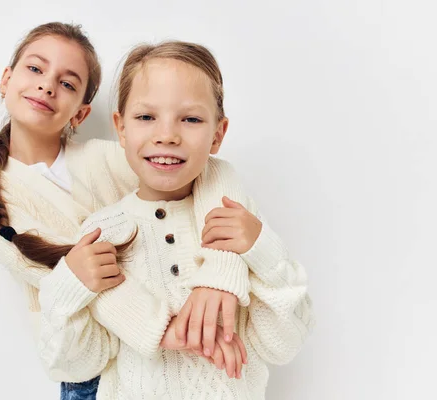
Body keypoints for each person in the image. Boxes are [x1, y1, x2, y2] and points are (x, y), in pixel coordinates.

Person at [0, 23, 250, 399]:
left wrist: (220, 272)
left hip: (159, 368)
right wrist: (162, 328)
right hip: (90, 364)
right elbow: (58, 275)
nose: (47, 85)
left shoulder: (106, 157)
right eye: (35, 68)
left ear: (81, 113)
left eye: (68, 83)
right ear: (6, 79)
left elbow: (206, 170)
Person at [36, 41, 315, 399]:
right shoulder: (103, 233)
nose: (167, 135)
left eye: (192, 119)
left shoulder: (238, 225)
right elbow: (75, 366)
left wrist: (264, 250)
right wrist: (66, 287)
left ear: (218, 134)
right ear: (120, 128)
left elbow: (284, 345)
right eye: (146, 117)